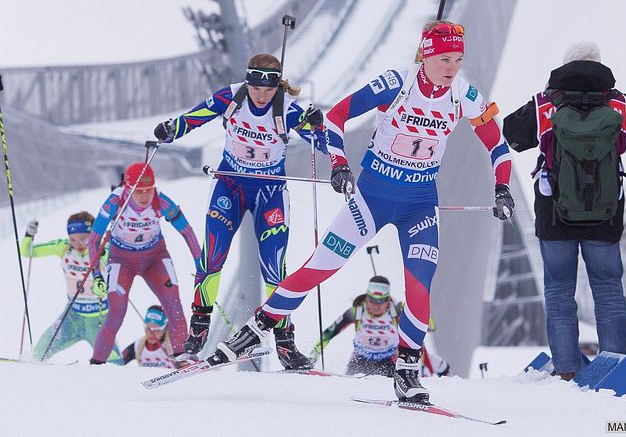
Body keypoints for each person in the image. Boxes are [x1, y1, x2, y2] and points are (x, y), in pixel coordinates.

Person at [204, 20, 514, 403]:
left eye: (458, 60)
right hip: (372, 196)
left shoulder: (465, 96)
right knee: (320, 265)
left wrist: (502, 189)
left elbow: (498, 147)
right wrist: (338, 162)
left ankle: (407, 370)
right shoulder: (395, 82)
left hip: (419, 206)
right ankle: (256, 329)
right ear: (428, 55)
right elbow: (335, 117)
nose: (453, 67)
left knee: (420, 285)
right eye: (445, 59)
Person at [153, 53, 326, 369]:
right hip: (230, 186)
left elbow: (324, 142)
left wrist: (317, 124)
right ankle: (198, 334)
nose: (261, 95)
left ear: (276, 85)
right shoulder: (230, 96)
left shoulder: (288, 109)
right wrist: (170, 130)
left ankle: (285, 343)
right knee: (212, 258)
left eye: (268, 89)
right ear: (248, 82)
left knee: (274, 268)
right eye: (256, 88)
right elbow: (195, 117)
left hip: (269, 192)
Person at [503, 41, 626, 380]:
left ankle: (565, 370)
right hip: (606, 209)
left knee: (559, 291)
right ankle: (613, 370)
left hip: (555, 209)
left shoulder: (545, 103)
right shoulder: (618, 102)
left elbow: (512, 134)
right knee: (608, 289)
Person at [88, 162, 200, 364]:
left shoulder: (160, 200)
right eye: (138, 191)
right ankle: (96, 364)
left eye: (149, 190)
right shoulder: (115, 201)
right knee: (116, 313)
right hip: (122, 261)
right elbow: (94, 240)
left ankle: (182, 359)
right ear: (128, 188)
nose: (145, 196)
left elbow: (187, 231)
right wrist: (97, 275)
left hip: (155, 258)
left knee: (174, 307)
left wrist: (201, 263)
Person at [20, 212, 122, 363]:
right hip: (72, 317)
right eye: (73, 239)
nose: (77, 244)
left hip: (99, 320)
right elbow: (27, 251)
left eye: (83, 239)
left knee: (116, 365)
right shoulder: (63, 247)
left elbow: (120, 261)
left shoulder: (102, 250)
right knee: (38, 353)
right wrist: (29, 234)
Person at [309, 276, 450, 377]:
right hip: (360, 359)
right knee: (349, 390)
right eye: (372, 300)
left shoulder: (397, 310)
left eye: (381, 301)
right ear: (366, 297)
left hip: (389, 360)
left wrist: (416, 309)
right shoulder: (357, 310)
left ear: (388, 299)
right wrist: (313, 357)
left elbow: (430, 326)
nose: (376, 305)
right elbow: (328, 333)